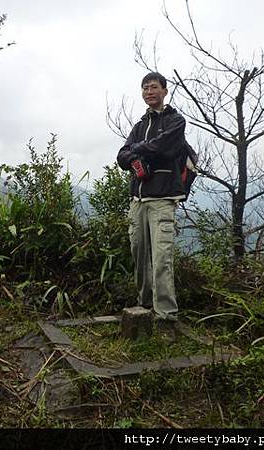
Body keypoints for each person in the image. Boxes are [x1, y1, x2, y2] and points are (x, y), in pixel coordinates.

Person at [117, 72, 187, 322]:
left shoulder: (175, 121)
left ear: (165, 91)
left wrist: (136, 151)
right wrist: (135, 158)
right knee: (139, 253)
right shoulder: (138, 126)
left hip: (162, 199)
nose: (149, 92)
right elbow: (121, 156)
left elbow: (164, 146)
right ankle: (144, 305)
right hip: (138, 200)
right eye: (145, 88)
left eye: (154, 87)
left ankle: (166, 315)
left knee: (161, 258)